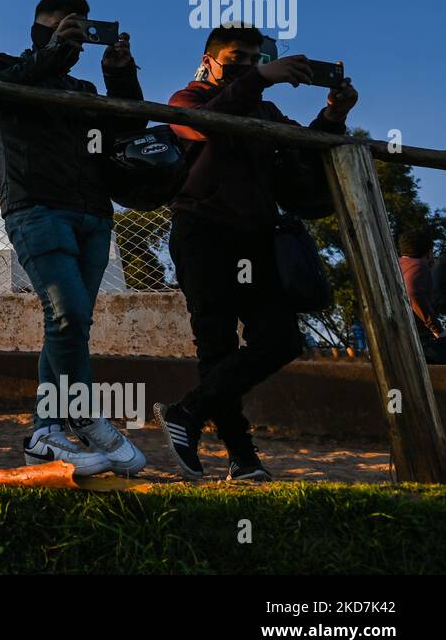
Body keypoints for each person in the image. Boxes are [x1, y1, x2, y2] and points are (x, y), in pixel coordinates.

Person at [153, 24, 359, 481]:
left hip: (260, 238)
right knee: (217, 346)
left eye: (255, 58)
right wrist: (262, 76)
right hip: (204, 233)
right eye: (237, 58)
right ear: (209, 61)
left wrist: (332, 118)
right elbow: (203, 127)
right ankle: (243, 458)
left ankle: (188, 412)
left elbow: (303, 151)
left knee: (280, 341)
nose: (247, 65)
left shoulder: (265, 109)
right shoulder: (185, 99)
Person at [0, 0, 147, 477]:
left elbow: (128, 128)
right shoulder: (3, 65)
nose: (72, 35)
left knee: (68, 325)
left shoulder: (87, 89)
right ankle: (85, 416)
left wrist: (119, 74)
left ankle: (44, 433)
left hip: (94, 214)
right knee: (68, 314)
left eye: (81, 29)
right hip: (36, 208)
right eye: (61, 26)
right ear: (39, 29)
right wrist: (50, 55)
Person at [398, 230, 446, 363]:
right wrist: (437, 329)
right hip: (419, 342)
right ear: (429, 251)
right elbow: (412, 292)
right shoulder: (420, 265)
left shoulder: (395, 264)